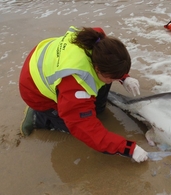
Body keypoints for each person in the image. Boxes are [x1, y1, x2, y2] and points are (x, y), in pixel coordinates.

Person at [19, 26, 148, 163]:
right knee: (73, 127)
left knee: (99, 100)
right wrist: (128, 148)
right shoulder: (75, 88)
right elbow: (88, 131)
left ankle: (97, 94)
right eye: (113, 77)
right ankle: (37, 117)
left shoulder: (98, 40)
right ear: (97, 68)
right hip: (33, 90)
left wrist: (124, 78)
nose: (115, 80)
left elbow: (112, 61)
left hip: (43, 58)